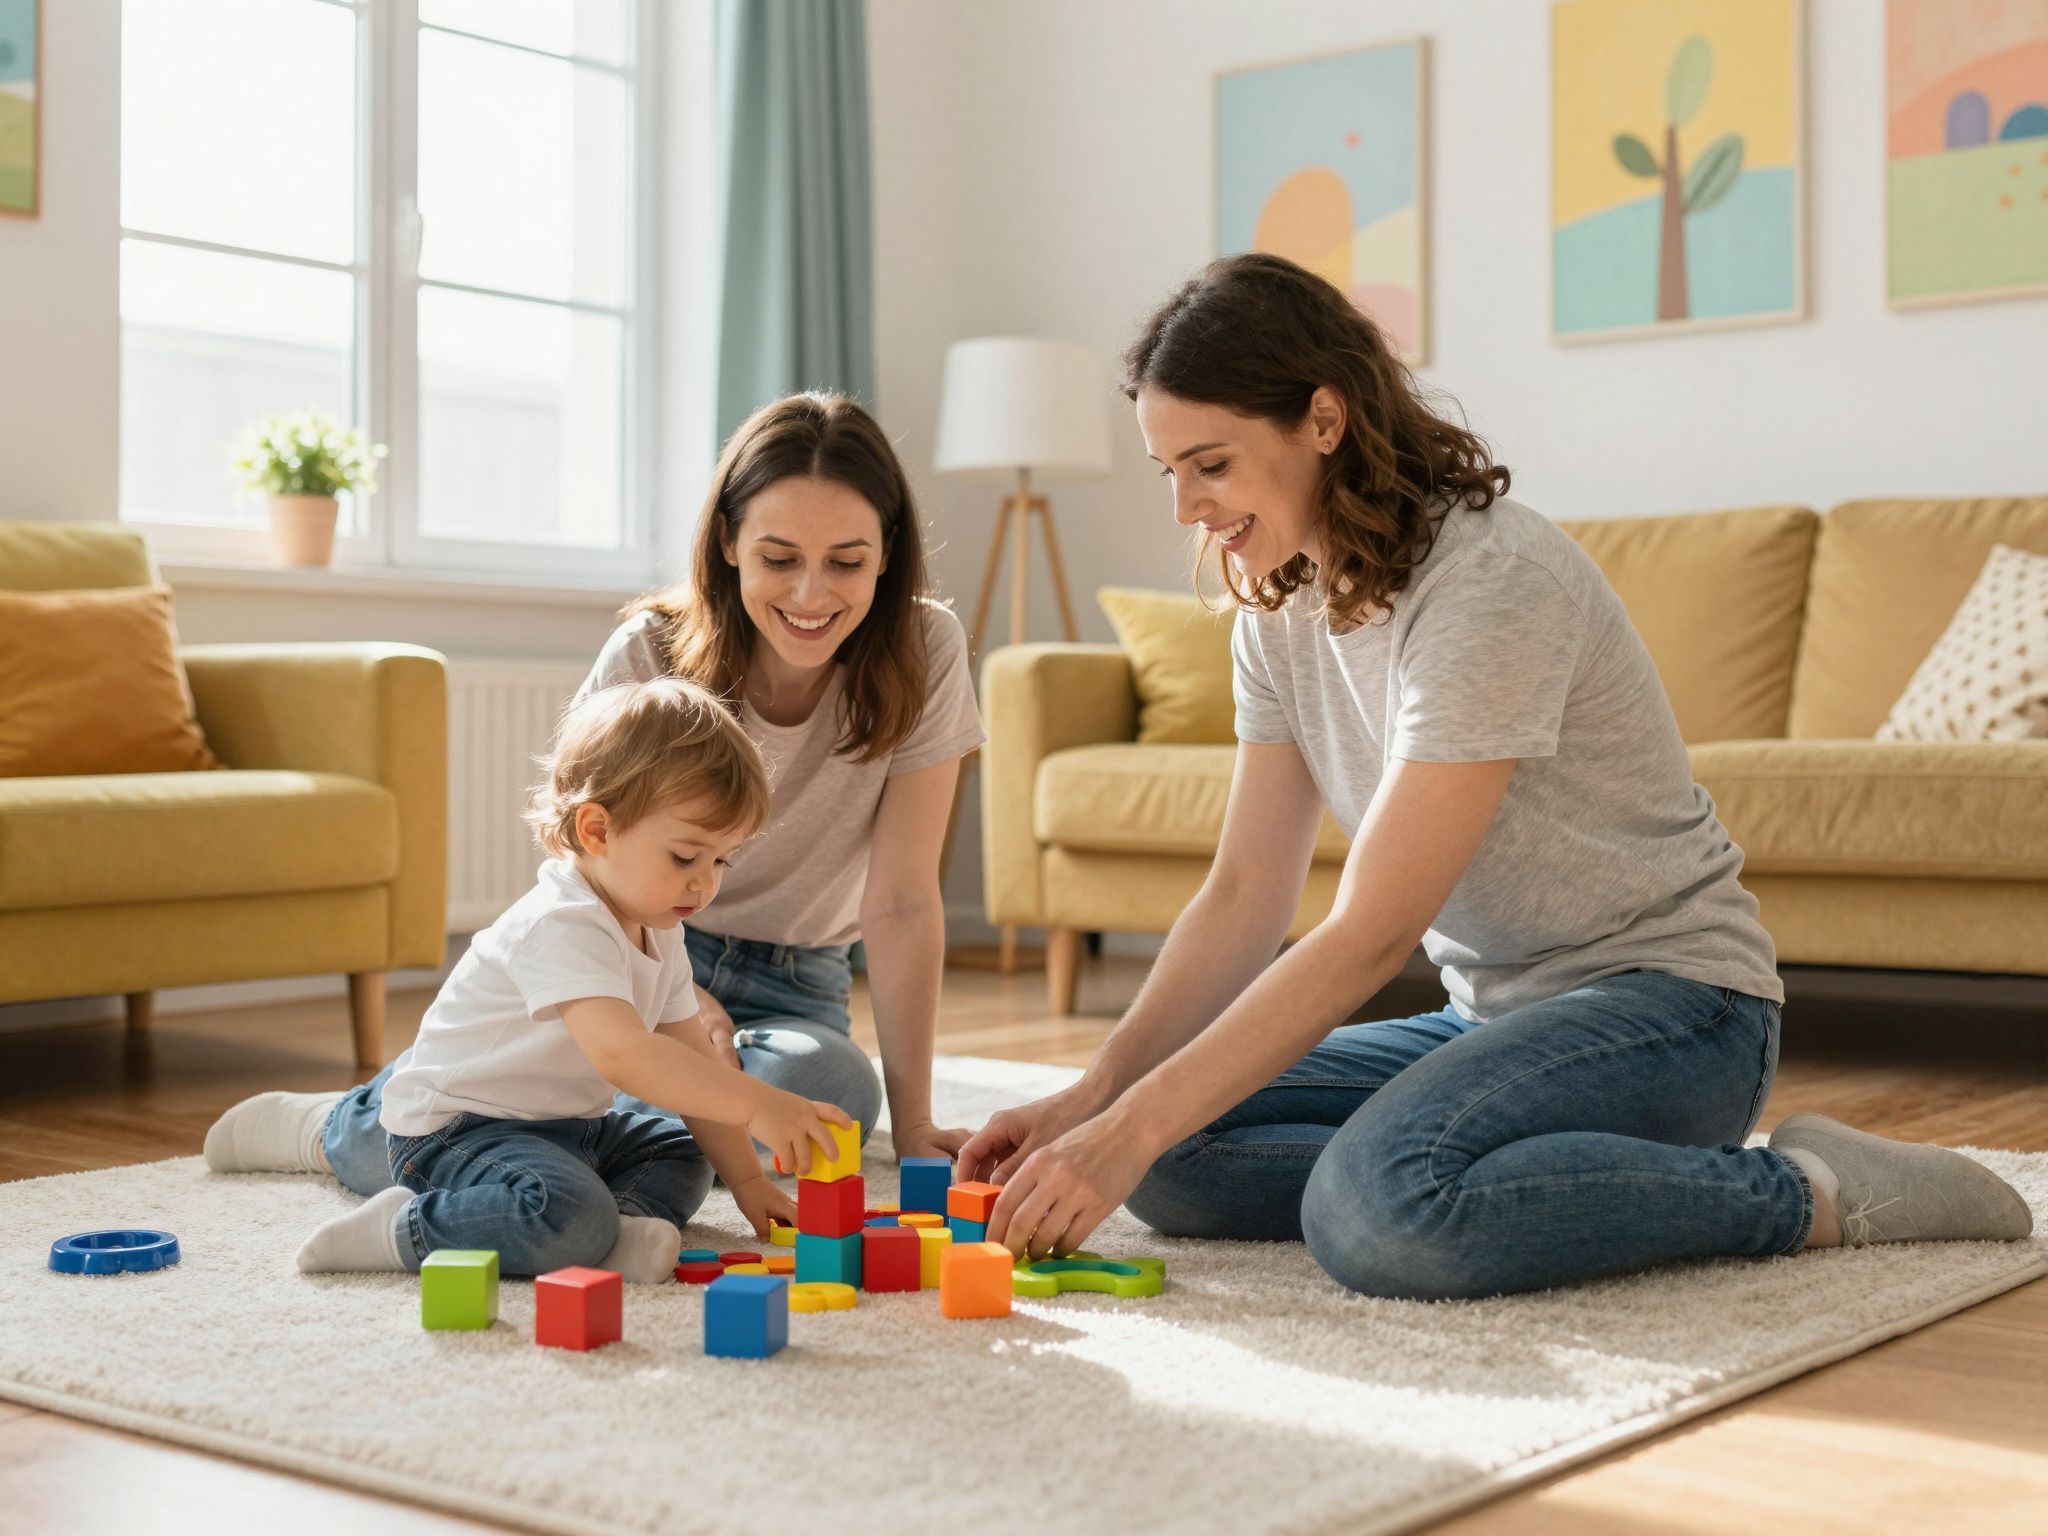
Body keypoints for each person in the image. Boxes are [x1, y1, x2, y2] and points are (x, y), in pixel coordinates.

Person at [955, 252, 2033, 1299]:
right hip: (1488, 1022)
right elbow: (1243, 892)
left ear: (1322, 420)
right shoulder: (1276, 613)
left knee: (1374, 1210)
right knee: (1171, 1152)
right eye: (1170, 472)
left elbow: (1371, 932)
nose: (1185, 509)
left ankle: (1805, 1190)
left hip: (1676, 1013)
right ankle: (1527, 1170)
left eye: (1211, 465)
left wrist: (1127, 1126)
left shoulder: (1488, 581)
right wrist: (1098, 1102)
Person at [207, 392, 986, 1196]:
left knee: (827, 1098)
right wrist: (680, 1002)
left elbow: (901, 902)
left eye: (846, 563)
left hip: (800, 979)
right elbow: (582, 847)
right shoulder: (650, 651)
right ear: (728, 540)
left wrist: (916, 1125)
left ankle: (603, 1118)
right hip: (644, 945)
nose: (812, 595)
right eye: (780, 559)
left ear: (887, 552)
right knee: (625, 1076)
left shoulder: (925, 648)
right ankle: (367, 1123)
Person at [288, 678, 850, 1282]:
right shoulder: (562, 921)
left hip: (569, 1128)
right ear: (597, 831)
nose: (705, 882)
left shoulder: (658, 926)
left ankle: (622, 1230)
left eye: (721, 859)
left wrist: (747, 1179)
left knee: (683, 1153)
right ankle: (401, 1229)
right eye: (686, 857)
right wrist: (758, 1103)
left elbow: (694, 1061)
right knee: (567, 1214)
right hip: (460, 1130)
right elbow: (625, 1056)